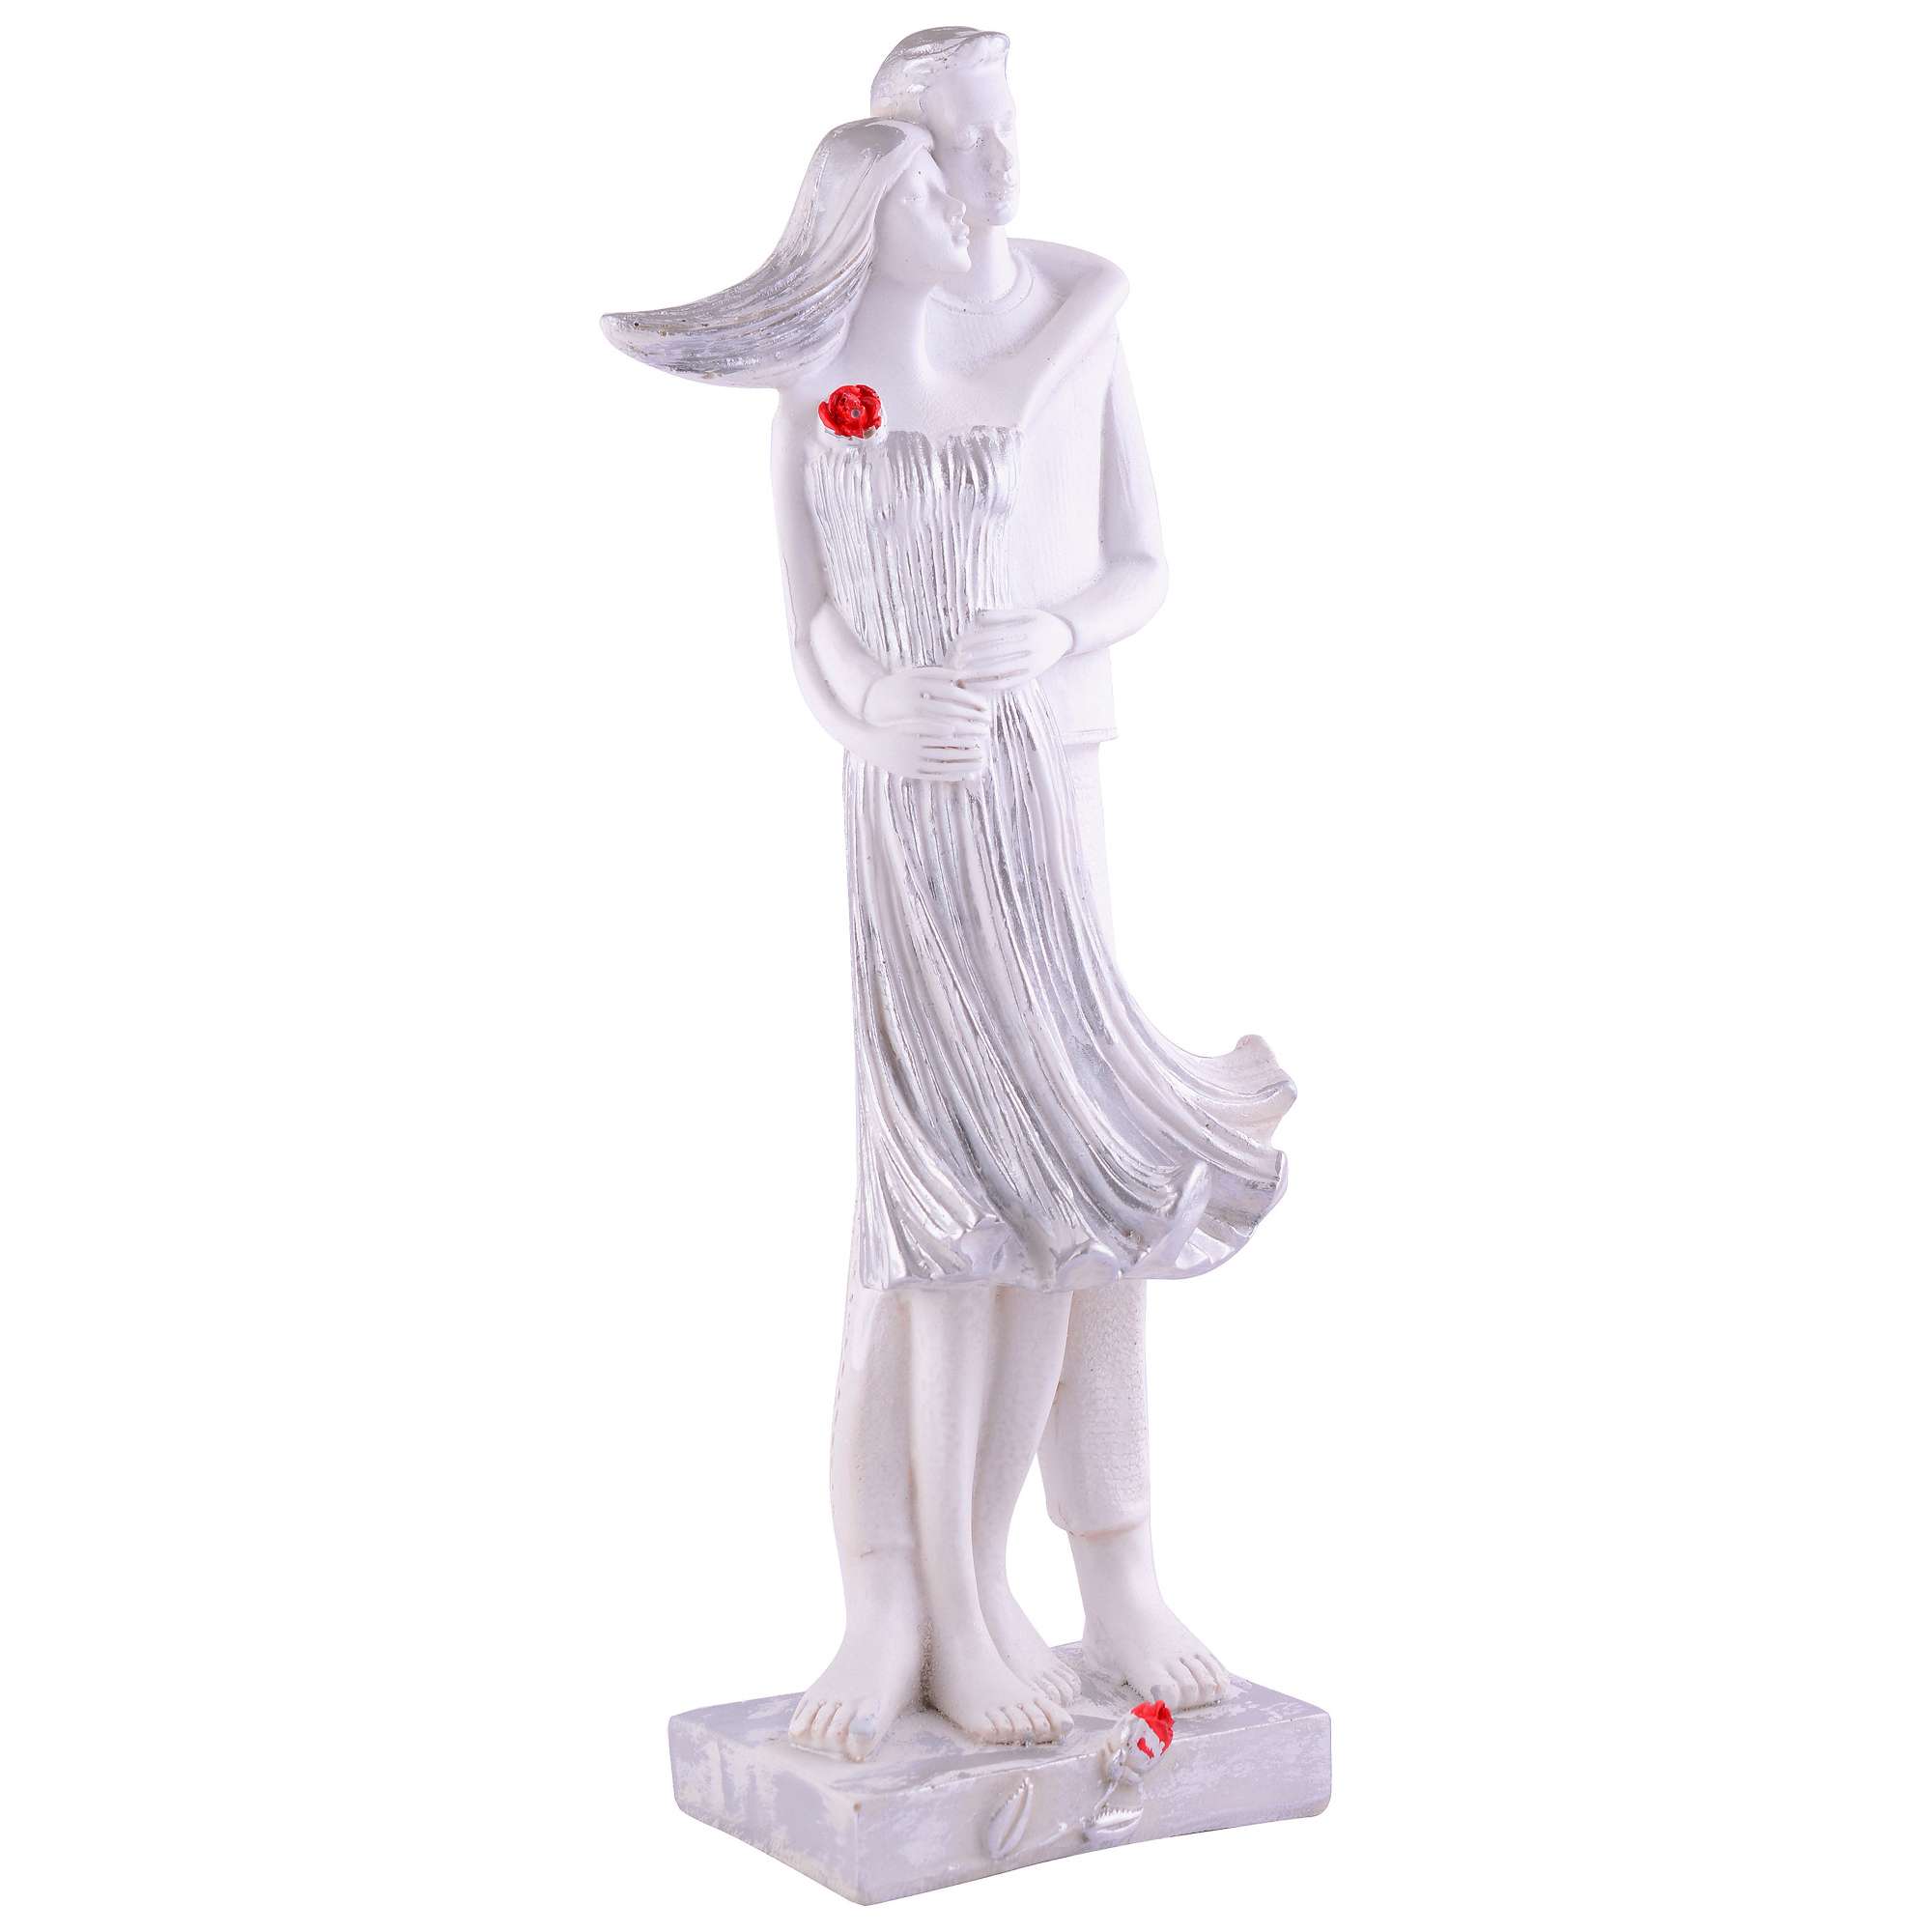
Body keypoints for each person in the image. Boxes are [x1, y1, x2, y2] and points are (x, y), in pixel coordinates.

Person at [603, 109, 1291, 1762]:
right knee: (936, 1221)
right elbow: (814, 627)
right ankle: (904, 1591)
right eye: (946, 146)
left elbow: (1143, 561)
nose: (991, 172)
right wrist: (869, 715)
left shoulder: (1072, 311)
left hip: (1052, 776)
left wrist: (1049, 632)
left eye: (997, 130)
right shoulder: (834, 382)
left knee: (1084, 1177)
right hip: (919, 811)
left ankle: (1113, 1567)